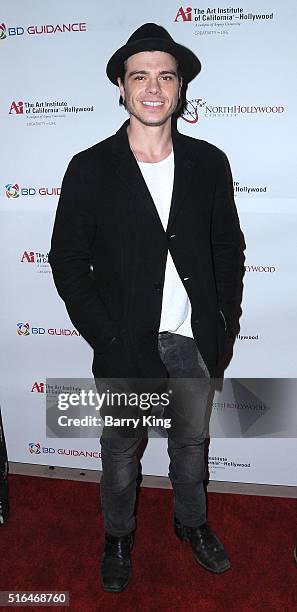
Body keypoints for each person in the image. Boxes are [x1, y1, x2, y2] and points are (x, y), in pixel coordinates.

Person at [49, 23, 245, 592]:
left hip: (193, 342)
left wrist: (223, 325)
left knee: (190, 444)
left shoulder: (209, 162)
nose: (153, 88)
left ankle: (192, 523)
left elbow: (227, 248)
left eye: (166, 75)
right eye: (141, 76)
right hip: (125, 344)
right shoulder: (89, 167)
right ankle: (118, 535)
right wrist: (108, 339)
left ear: (180, 87)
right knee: (119, 455)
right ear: (120, 85)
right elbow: (67, 260)